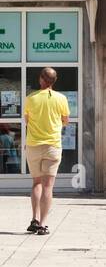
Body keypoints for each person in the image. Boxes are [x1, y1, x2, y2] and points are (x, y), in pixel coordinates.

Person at [23, 66, 69, 235]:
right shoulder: (61, 98)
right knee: (48, 186)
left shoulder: (30, 98)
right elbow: (65, 120)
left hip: (33, 145)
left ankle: (34, 220)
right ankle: (43, 224)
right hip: (52, 146)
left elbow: (27, 120)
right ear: (54, 81)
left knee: (36, 183)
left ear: (41, 79)